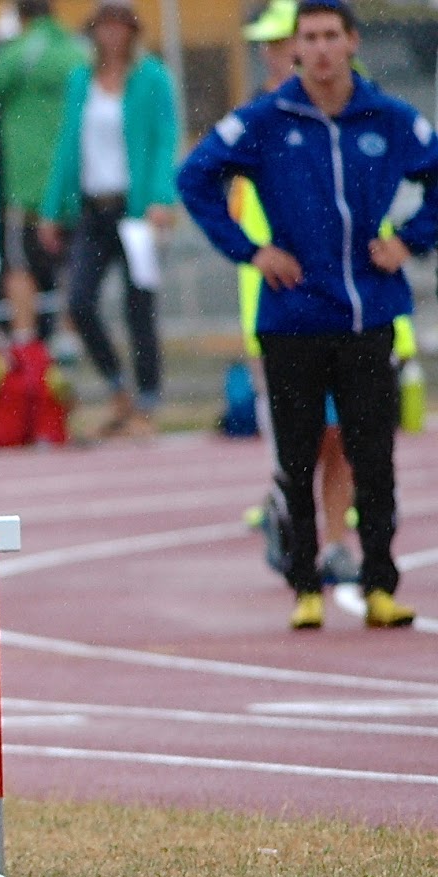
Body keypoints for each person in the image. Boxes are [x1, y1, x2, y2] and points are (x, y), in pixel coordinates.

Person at [178, 0, 436, 630]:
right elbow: (194, 178)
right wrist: (250, 250)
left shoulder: (387, 117)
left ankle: (379, 581)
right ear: (295, 48)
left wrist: (410, 238)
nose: (320, 48)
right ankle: (306, 585)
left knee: (373, 455)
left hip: (369, 313)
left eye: (331, 36)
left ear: (352, 42)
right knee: (295, 458)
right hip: (292, 315)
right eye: (309, 38)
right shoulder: (268, 119)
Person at [231, 0, 359, 588]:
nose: (272, 51)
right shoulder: (257, 123)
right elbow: (227, 213)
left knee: (343, 431)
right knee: (297, 436)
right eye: (268, 42)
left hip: (346, 305)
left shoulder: (352, 114)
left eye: (282, 40)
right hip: (275, 307)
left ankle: (336, 540)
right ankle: (293, 519)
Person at [37, 0, 178, 438]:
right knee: (78, 301)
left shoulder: (151, 78)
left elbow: (163, 140)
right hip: (93, 209)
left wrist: (160, 198)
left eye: (120, 27)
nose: (112, 35)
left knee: (140, 308)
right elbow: (67, 144)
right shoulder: (82, 79)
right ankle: (118, 387)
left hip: (134, 210)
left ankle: (147, 403)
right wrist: (51, 208)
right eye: (104, 27)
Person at [0, 0, 88, 348]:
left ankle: (24, 344)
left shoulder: (23, 52)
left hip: (27, 183)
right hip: (73, 182)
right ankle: (68, 341)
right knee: (70, 266)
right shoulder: (78, 50)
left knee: (21, 266)